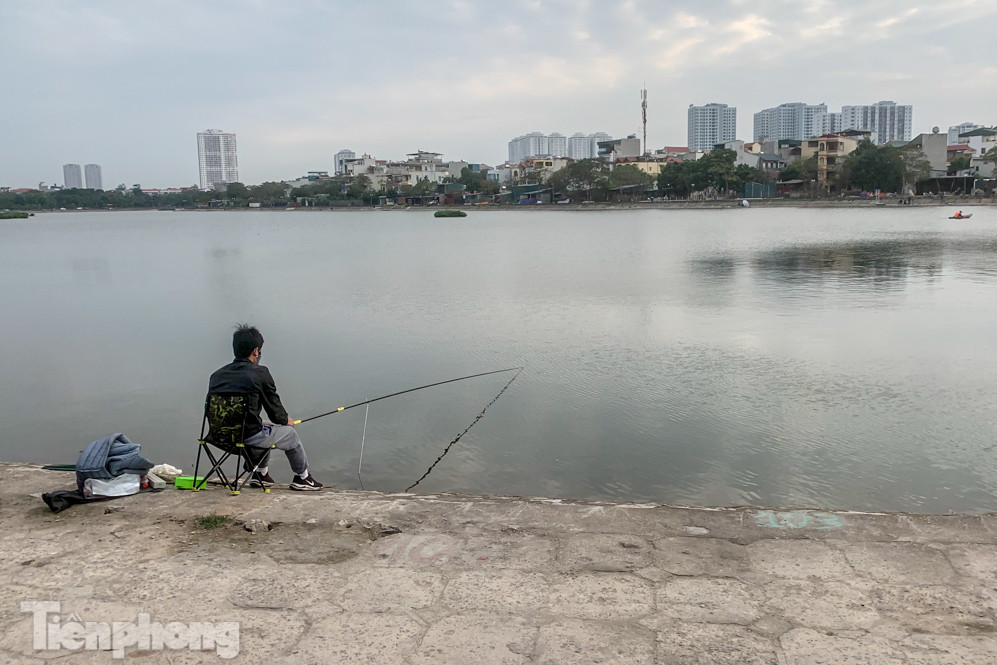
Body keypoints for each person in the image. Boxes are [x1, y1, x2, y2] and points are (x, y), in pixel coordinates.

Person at [207, 324, 323, 491]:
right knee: (289, 434)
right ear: (256, 351)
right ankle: (303, 478)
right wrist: (286, 421)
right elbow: (275, 410)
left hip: (218, 436)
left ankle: (260, 474)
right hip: (247, 437)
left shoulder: (216, 375)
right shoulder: (260, 373)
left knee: (265, 425)